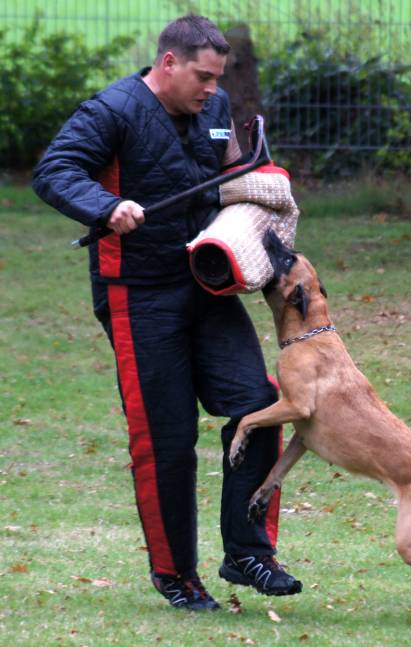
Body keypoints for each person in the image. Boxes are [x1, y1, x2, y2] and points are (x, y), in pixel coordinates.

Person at [32, 14, 301, 611]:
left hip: (206, 283)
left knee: (258, 404)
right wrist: (106, 207)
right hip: (138, 294)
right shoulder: (112, 111)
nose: (212, 89)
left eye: (217, 78)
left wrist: (262, 189)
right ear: (169, 63)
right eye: (203, 77)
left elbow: (233, 171)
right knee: (167, 439)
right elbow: (54, 172)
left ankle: (248, 552)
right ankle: (176, 575)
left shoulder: (214, 108)